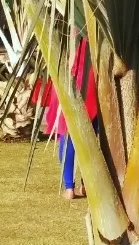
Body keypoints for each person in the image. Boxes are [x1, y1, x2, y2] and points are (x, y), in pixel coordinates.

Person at [37, 37, 98, 198]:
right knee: (91, 138)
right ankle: (87, 185)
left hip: (72, 82)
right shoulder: (97, 33)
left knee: (67, 135)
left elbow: (67, 60)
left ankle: (69, 187)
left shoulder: (73, 28)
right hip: (94, 83)